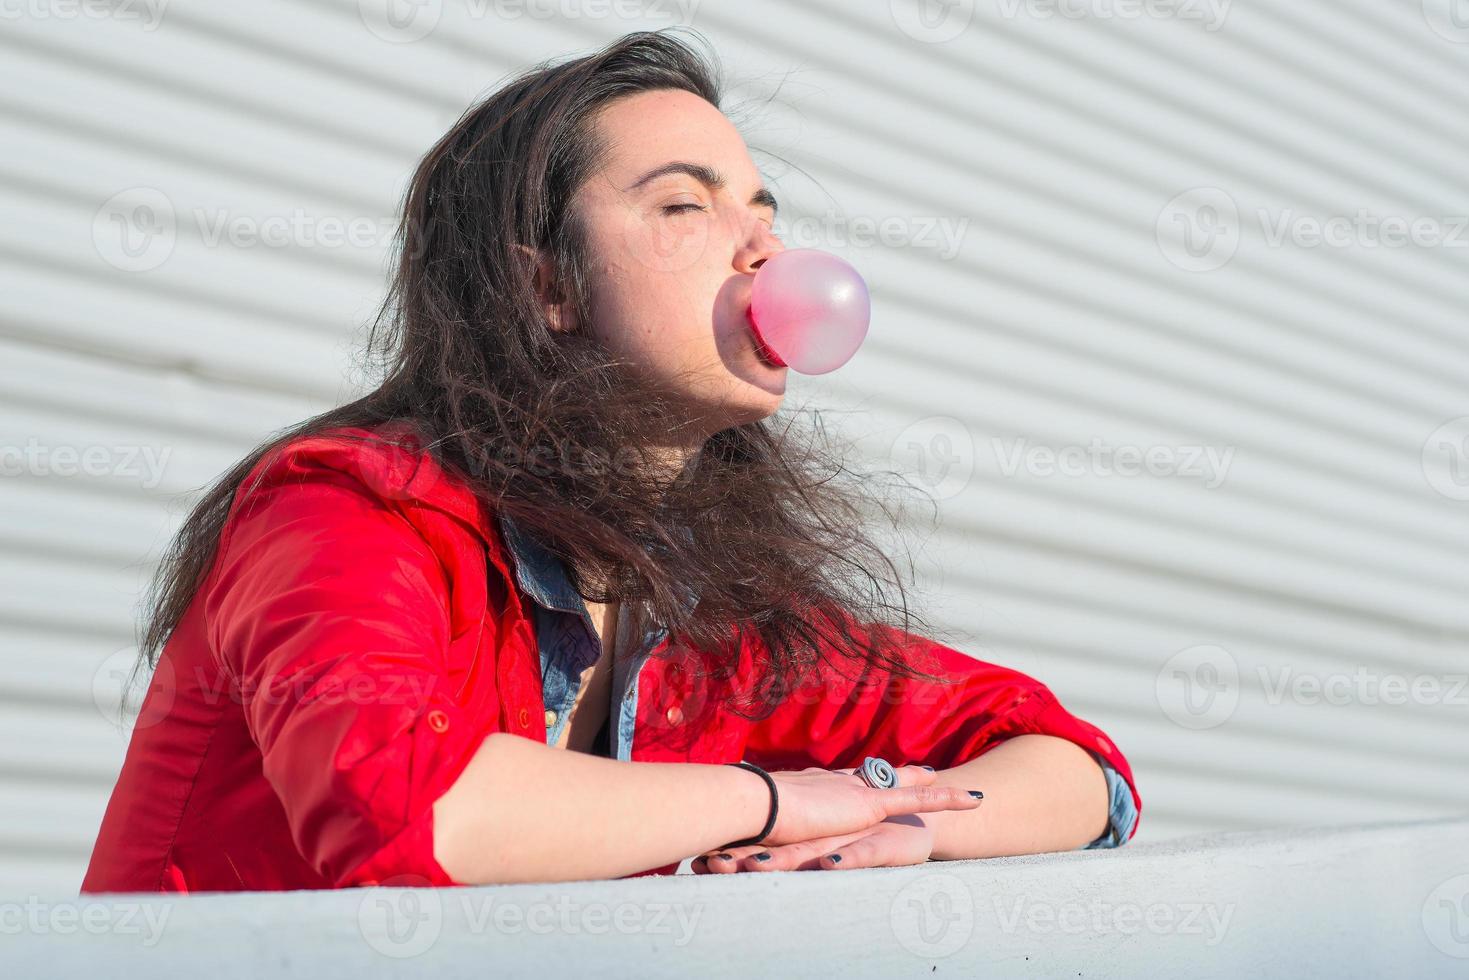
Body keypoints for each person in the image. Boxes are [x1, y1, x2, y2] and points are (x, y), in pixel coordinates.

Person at [80, 29, 1139, 893]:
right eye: (686, 205)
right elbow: (408, 811)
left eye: (764, 216)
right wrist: (773, 798)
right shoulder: (344, 513)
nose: (765, 251)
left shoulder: (715, 607)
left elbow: (1075, 761)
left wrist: (905, 827)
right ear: (545, 286)